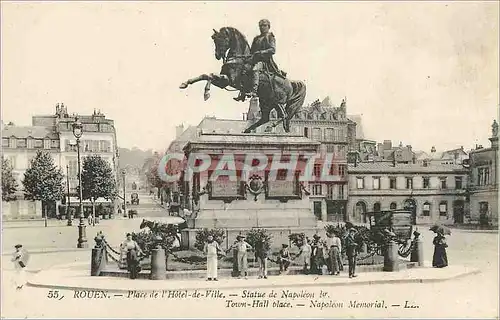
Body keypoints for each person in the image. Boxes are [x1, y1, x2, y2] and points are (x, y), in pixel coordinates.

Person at [234, 19, 286, 102]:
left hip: (264, 61)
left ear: (268, 26)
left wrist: (261, 52)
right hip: (254, 59)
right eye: (261, 26)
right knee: (243, 69)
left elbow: (273, 50)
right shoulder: (256, 38)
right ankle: (243, 92)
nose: (262, 27)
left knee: (255, 69)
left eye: (264, 25)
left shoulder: (270, 37)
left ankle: (254, 91)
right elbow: (251, 51)